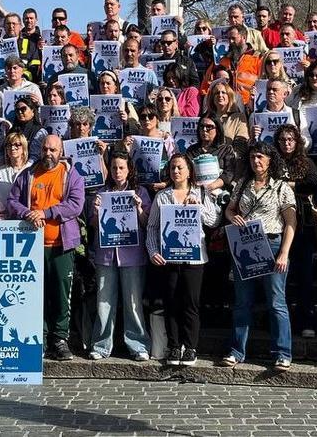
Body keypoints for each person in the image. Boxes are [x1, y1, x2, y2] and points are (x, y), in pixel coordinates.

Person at [4, 134, 86, 361]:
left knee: (61, 295)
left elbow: (75, 206)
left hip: (61, 245)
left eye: (53, 150)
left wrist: (46, 213)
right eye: (45, 149)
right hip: (32, 246)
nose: (48, 154)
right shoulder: (28, 174)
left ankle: (59, 339)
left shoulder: (71, 175)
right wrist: (27, 214)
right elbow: (12, 201)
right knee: (35, 294)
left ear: (61, 151)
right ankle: (39, 336)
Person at [219, 142, 297, 370]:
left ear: (270, 159)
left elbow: (291, 221)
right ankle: (236, 350)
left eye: (261, 157)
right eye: (253, 157)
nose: (256, 161)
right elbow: (230, 209)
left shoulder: (281, 187)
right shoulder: (242, 184)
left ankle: (282, 352)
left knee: (276, 301)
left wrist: (284, 252)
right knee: (242, 301)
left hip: (272, 244)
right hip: (244, 244)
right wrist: (232, 216)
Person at [145, 153, 220, 366]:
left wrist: (198, 206)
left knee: (191, 303)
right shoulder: (163, 197)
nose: (176, 172)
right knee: (171, 302)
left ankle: (191, 347)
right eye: (172, 168)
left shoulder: (201, 193)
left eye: (180, 168)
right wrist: (152, 251)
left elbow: (214, 220)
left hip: (195, 260)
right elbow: (152, 227)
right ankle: (175, 346)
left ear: (189, 171)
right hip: (170, 259)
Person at [87, 150, 152, 361]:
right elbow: (93, 225)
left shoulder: (140, 192)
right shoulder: (101, 193)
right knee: (103, 302)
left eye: (121, 167)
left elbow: (147, 224)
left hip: (132, 255)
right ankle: (101, 345)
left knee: (133, 303)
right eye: (114, 167)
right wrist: (96, 212)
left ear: (129, 169)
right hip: (106, 255)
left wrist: (140, 209)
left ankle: (138, 345)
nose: (117, 171)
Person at [274, 123, 317, 337]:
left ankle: (307, 321)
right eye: (283, 140)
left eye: (290, 139)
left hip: (302, 225)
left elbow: (314, 183)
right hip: (277, 224)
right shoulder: (272, 163)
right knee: (280, 277)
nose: (287, 143)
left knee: (304, 275)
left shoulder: (306, 162)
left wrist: (289, 185)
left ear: (297, 142)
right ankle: (281, 322)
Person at [0, 131, 30, 203]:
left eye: (17, 145)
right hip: (3, 213)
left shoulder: (31, 171)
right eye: (9, 145)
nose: (12, 148)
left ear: (24, 148)